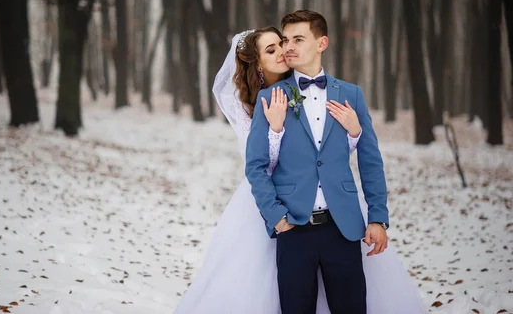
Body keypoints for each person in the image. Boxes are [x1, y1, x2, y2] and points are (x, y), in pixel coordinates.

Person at [174, 24, 425, 313]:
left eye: (283, 43)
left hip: (339, 218)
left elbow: (341, 155)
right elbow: (260, 166)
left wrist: (355, 135)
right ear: (257, 63)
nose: (283, 51)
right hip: (279, 210)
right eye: (272, 49)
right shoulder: (263, 101)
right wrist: (276, 130)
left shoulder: (342, 91)